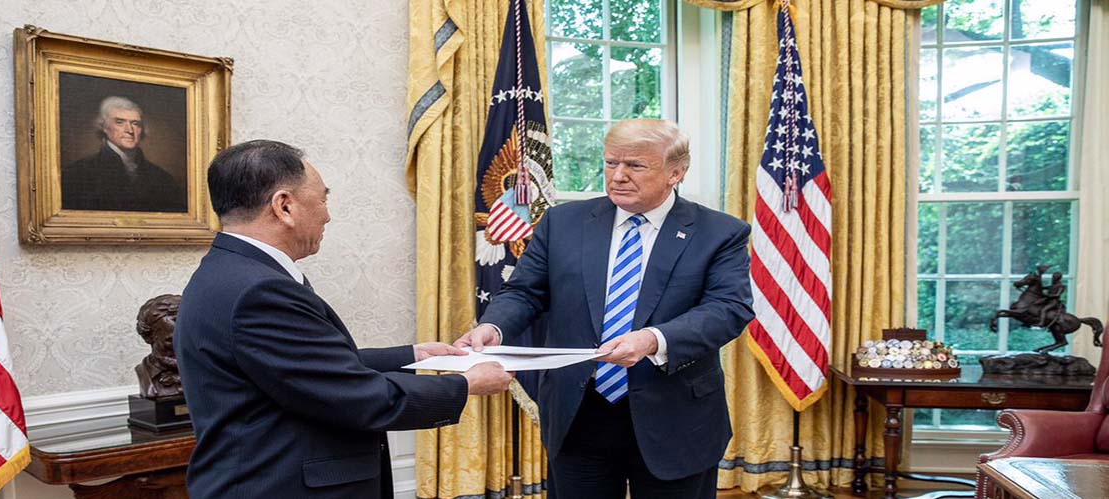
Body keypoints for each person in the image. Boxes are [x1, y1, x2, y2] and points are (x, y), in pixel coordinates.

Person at [175, 139, 514, 498]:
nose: (327, 214)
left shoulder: (234, 271)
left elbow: (303, 368)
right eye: (322, 199)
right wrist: (467, 385)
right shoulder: (258, 291)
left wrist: (412, 355)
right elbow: (358, 397)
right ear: (284, 206)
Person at [455, 119, 754, 499]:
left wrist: (652, 340)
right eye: (612, 163)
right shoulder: (563, 222)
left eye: (636, 166)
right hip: (579, 412)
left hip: (675, 415)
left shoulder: (720, 232)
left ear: (676, 172)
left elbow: (728, 309)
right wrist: (494, 327)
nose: (618, 176)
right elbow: (524, 292)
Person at [61, 96, 187, 213]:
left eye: (135, 123)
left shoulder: (163, 179)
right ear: (104, 127)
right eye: (120, 122)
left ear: (142, 129)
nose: (129, 130)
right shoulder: (78, 173)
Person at [134, 294, 183, 399]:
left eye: (187, 340)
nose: (180, 347)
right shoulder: (145, 375)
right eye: (170, 341)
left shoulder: (205, 371)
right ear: (149, 337)